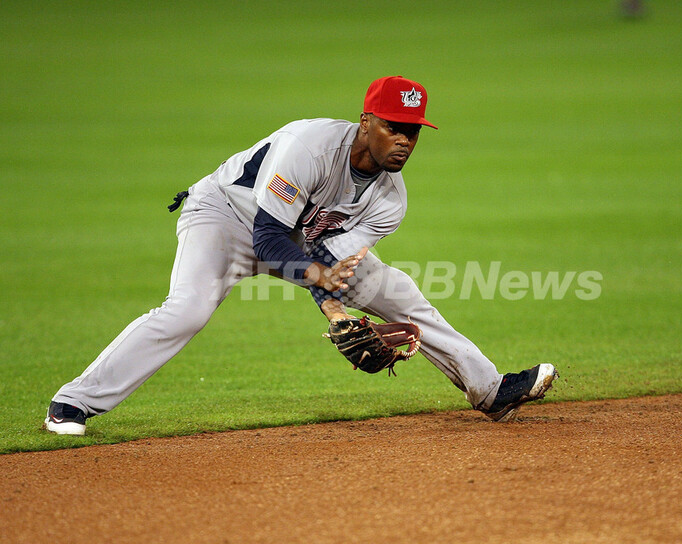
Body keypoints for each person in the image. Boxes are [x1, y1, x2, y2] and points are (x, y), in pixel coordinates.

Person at [44, 76, 558, 436]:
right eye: (393, 126)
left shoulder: (390, 201)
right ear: (365, 122)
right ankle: (74, 401)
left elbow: (328, 258)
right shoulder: (310, 147)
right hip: (226, 217)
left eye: (414, 130)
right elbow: (268, 237)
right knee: (188, 311)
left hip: (298, 240)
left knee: (397, 292)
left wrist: (334, 303)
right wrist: (330, 303)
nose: (404, 140)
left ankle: (490, 390)